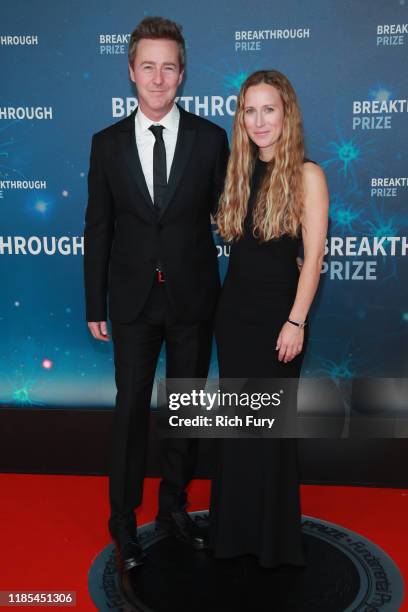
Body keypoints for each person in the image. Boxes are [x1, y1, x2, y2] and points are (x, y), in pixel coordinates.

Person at [84, 16, 229, 573]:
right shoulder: (106, 144)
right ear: (131, 72)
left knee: (187, 411)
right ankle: (123, 522)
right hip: (131, 302)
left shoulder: (211, 139)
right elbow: (98, 227)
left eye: (169, 66)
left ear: (183, 73)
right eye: (148, 66)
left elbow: (231, 216)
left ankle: (174, 508)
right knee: (129, 411)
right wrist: (94, 303)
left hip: (194, 299)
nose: (159, 77)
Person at [210, 70, 329, 568]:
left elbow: (314, 255)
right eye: (250, 110)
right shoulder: (235, 172)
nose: (259, 121)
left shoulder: (308, 175)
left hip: (280, 320)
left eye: (269, 109)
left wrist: (296, 322)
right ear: (241, 117)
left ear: (287, 114)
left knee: (272, 433)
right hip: (233, 318)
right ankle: (233, 535)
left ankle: (274, 544)